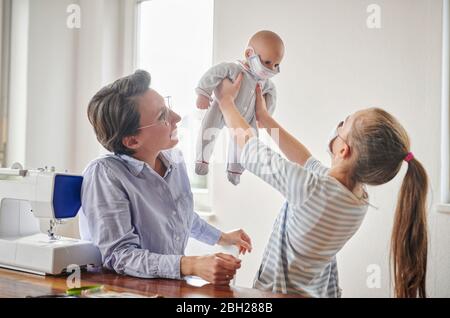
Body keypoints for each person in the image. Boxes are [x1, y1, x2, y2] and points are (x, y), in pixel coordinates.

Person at [215, 73, 428, 297]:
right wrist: (265, 119)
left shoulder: (311, 189)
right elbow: (308, 162)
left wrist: (225, 102)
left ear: (343, 150)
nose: (337, 126)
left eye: (343, 124)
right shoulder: (358, 198)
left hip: (278, 294)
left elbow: (250, 148)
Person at [79, 70, 252, 285]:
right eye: (162, 116)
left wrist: (221, 237)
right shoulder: (105, 175)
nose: (177, 117)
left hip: (171, 288)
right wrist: (191, 264)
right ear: (132, 141)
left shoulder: (174, 160)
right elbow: (119, 256)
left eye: (167, 106)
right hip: (130, 290)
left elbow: (180, 215)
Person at [195, 30, 284, 185]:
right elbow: (213, 74)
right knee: (208, 129)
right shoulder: (233, 69)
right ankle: (201, 160)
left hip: (247, 118)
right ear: (250, 54)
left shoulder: (266, 83)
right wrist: (203, 93)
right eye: (267, 62)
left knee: (248, 143)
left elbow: (272, 96)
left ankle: (235, 171)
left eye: (276, 65)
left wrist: (265, 116)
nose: (271, 68)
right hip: (221, 108)